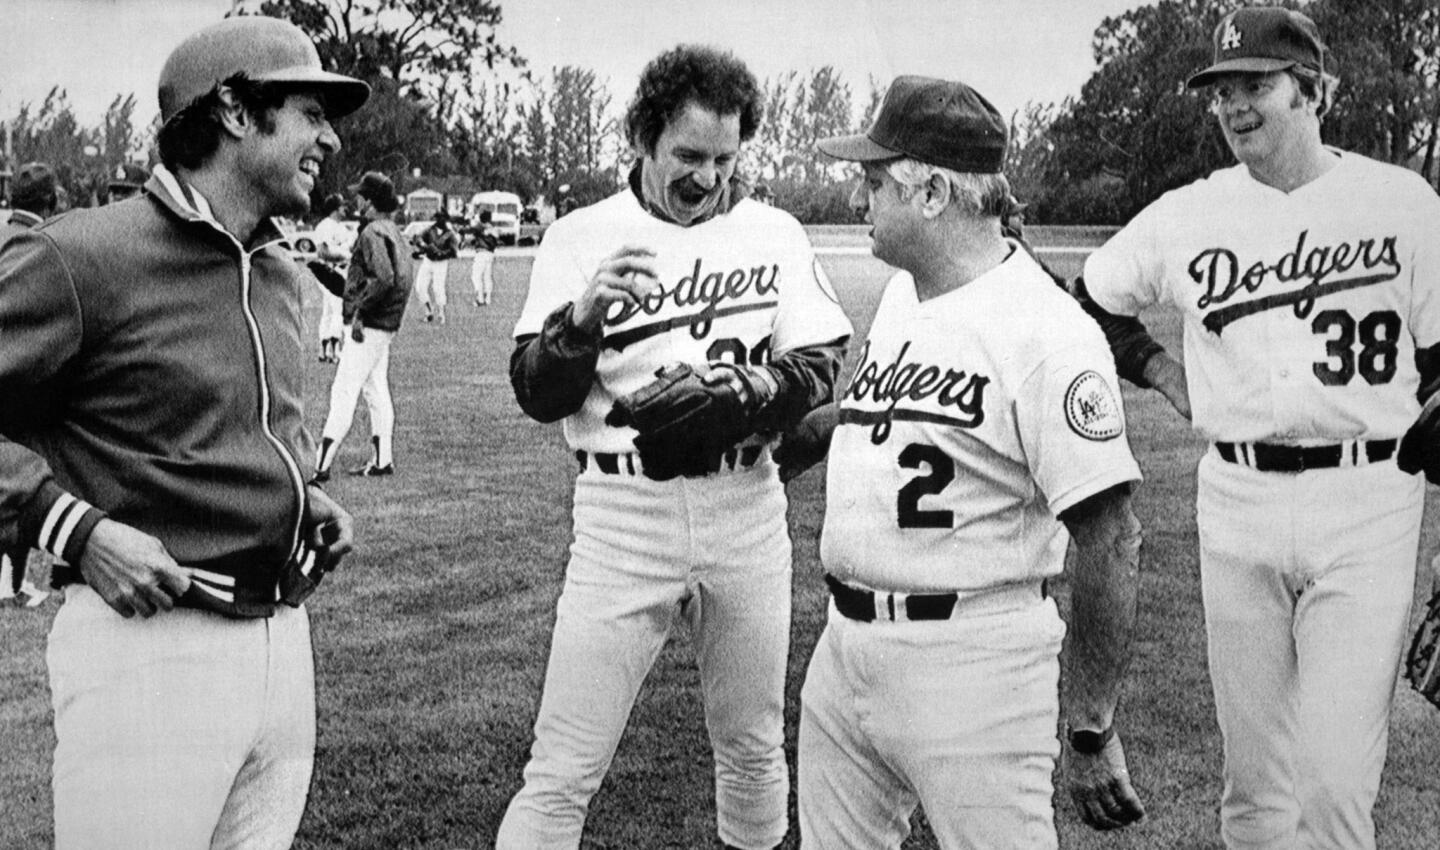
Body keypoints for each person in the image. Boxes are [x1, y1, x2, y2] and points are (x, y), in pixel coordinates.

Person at [1079, 8, 1440, 848]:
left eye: (1257, 86)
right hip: (1235, 500)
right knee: (1253, 792)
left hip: (1368, 499)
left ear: (1312, 91)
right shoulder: (1189, 213)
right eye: (1222, 91)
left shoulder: (1401, 202)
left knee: (1334, 788)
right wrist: (1164, 374)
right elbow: (1095, 294)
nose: (1235, 106)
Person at [0, 16, 364, 848]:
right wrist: (75, 530)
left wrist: (301, 498)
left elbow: (213, 431)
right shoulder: (81, 256)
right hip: (144, 655)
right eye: (311, 113)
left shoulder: (274, 266)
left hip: (282, 645)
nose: (330, 139)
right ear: (235, 112)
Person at [499, 44, 853, 850]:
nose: (708, 177)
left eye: (726, 159)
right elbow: (535, 391)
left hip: (745, 505)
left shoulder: (770, 230)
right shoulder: (582, 236)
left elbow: (821, 360)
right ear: (643, 140)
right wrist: (580, 324)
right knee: (562, 765)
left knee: (755, 745)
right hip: (623, 512)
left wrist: (748, 392)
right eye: (689, 156)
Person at [800, 75, 1146, 849]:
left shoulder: (1048, 332)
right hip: (844, 647)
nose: (861, 200)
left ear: (932, 192)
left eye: (874, 181)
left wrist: (1091, 727)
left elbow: (1112, 535)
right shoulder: (902, 297)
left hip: (974, 664)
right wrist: (775, 431)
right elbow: (887, 424)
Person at [314, 171, 414, 480]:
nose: (357, 200)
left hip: (367, 325)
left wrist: (360, 312)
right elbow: (395, 279)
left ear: (369, 201)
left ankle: (320, 466)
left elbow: (382, 278)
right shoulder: (394, 231)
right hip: (385, 324)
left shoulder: (371, 233)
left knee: (344, 390)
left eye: (361, 195)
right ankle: (383, 460)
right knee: (375, 390)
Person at [0, 161, 60, 608]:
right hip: (20, 377)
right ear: (51, 200)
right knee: (21, 483)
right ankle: (12, 585)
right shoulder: (38, 243)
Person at [311, 192, 353, 363]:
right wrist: (344, 255)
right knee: (338, 309)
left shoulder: (341, 228)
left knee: (328, 310)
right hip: (330, 271)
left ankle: (324, 349)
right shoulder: (325, 226)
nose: (345, 209)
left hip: (339, 270)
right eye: (342, 206)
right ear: (335, 209)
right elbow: (322, 252)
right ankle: (334, 350)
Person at [414, 209, 460, 323]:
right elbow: (418, 237)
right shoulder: (430, 230)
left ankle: (441, 312)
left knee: (438, 288)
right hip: (428, 260)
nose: (439, 220)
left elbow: (454, 251)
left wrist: (441, 253)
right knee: (420, 287)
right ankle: (428, 310)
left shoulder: (450, 234)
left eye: (442, 217)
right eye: (438, 217)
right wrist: (423, 245)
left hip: (441, 263)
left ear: (446, 219)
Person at [470, 209, 497, 306]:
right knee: (487, 276)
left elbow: (471, 233)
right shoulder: (492, 228)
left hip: (481, 253)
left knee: (476, 276)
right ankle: (488, 298)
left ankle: (480, 298)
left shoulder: (479, 227)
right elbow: (496, 238)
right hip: (490, 254)